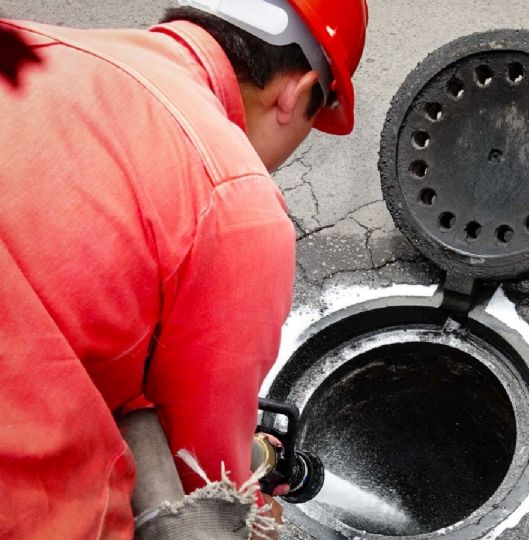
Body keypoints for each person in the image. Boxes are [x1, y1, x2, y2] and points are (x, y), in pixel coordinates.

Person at [0, 0, 367, 537]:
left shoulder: (27, 46)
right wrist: (255, 503)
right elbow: (206, 473)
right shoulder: (233, 198)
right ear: (296, 91)